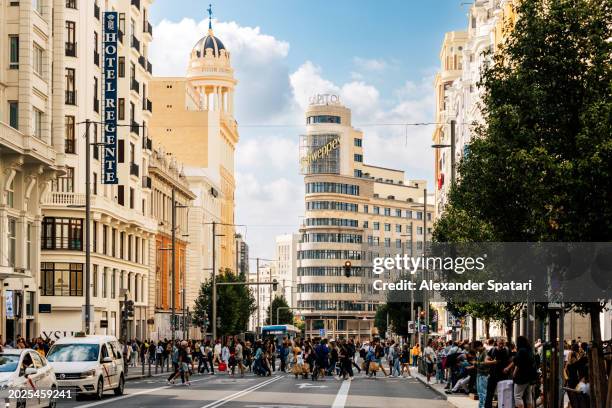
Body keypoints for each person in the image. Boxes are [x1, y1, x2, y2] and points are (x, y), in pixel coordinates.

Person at [484, 338, 511, 408]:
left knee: (502, 393)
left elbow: (512, 361)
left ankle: (500, 406)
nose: (501, 345)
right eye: (500, 343)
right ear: (497, 343)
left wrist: (508, 368)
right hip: (493, 374)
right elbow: (486, 361)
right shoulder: (492, 350)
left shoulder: (507, 351)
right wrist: (493, 362)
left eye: (502, 343)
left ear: (504, 343)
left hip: (503, 375)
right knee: (490, 392)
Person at [511, 336, 537, 408]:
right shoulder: (529, 350)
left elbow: (518, 363)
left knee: (517, 396)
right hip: (529, 377)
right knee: (529, 395)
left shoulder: (521, 351)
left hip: (522, 377)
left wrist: (514, 373)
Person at [474, 341, 489, 408]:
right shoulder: (480, 353)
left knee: (482, 392)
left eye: (477, 348)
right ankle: (480, 406)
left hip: (483, 374)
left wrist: (476, 363)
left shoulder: (485, 352)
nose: (476, 350)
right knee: (480, 392)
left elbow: (486, 363)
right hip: (479, 373)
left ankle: (482, 406)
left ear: (480, 346)